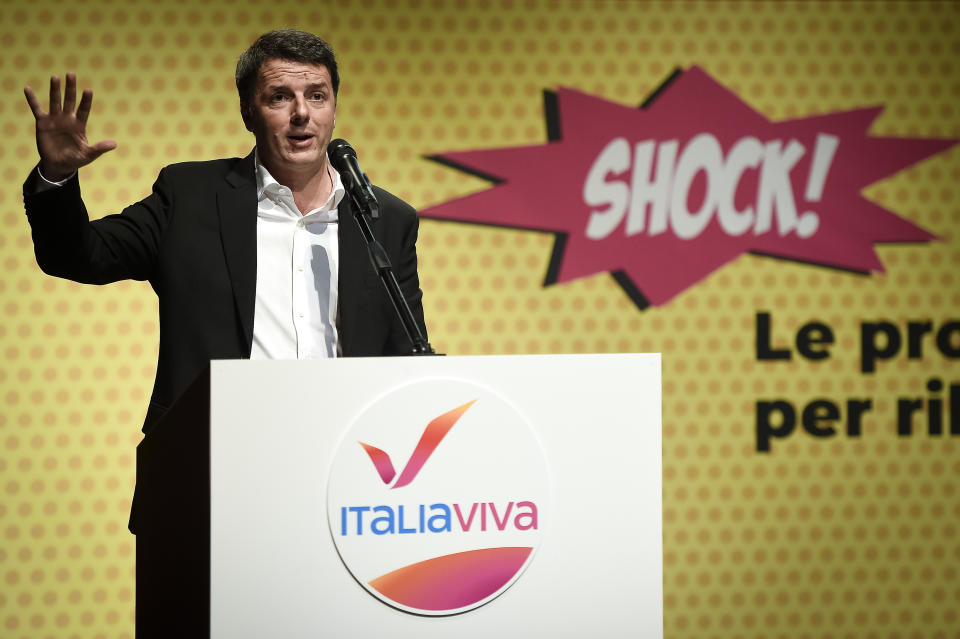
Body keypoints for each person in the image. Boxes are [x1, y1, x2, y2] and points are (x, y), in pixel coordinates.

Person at [23, 29, 427, 436]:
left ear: (334, 110)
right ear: (248, 112)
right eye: (280, 97)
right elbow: (77, 254)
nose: (302, 113)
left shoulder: (384, 219)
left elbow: (409, 355)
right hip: (211, 450)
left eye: (317, 95)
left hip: (342, 451)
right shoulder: (190, 198)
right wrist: (56, 176)